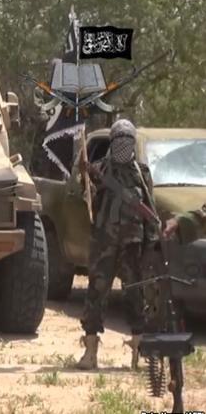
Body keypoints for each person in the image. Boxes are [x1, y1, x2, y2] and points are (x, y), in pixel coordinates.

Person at [77, 119, 158, 371]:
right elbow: (86, 195)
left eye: (127, 140)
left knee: (136, 295)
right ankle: (90, 353)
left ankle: (139, 353)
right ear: (113, 142)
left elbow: (150, 209)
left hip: (132, 246)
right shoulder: (100, 170)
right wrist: (84, 175)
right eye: (119, 140)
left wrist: (152, 244)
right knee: (95, 295)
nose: (123, 145)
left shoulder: (142, 173)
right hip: (104, 245)